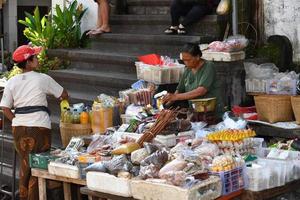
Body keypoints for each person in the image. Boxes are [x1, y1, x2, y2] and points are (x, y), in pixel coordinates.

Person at [0, 45, 68, 200]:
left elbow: (5, 108)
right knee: (37, 166)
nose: (37, 59)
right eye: (35, 57)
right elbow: (64, 94)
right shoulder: (43, 78)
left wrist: (16, 120)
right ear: (29, 62)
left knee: (25, 165)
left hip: (19, 129)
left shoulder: (12, 82)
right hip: (39, 128)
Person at [162, 43, 223, 117]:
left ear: (197, 57)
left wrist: (176, 96)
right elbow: (179, 89)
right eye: (184, 60)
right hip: (196, 112)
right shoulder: (188, 69)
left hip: (211, 113)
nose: (186, 63)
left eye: (188, 60)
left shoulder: (208, 67)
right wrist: (166, 104)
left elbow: (201, 91)